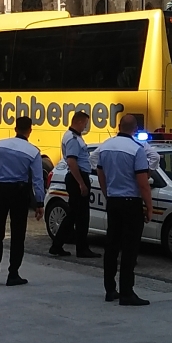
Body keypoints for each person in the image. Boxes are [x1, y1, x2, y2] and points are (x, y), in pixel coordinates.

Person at [93, 114, 153, 306]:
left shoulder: (105, 146)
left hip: (113, 201)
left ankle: (110, 289)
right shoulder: (137, 149)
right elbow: (143, 183)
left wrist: (107, 193)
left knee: (111, 245)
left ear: (119, 126)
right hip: (130, 202)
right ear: (135, 129)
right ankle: (127, 291)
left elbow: (100, 173)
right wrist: (149, 206)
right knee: (129, 248)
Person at [0, 116, 45, 287]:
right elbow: (38, 180)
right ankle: (13, 274)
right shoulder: (33, 151)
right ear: (30, 130)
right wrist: (39, 203)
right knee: (18, 234)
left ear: (15, 128)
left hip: (0, 191)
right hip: (19, 193)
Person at [51, 111, 100, 258]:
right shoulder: (72, 139)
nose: (86, 126)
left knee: (73, 214)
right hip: (77, 178)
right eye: (85, 124)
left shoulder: (74, 137)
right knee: (81, 216)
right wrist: (81, 183)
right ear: (79, 122)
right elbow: (72, 162)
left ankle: (57, 245)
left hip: (76, 178)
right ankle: (81, 249)